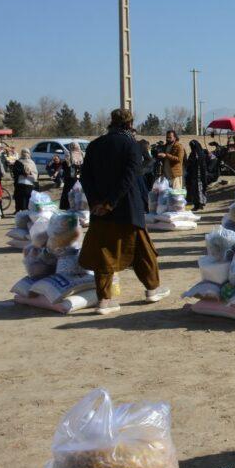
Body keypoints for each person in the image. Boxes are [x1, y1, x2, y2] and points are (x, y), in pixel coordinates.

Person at [79, 108, 169, 315]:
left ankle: (105, 300)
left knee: (105, 252)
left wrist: (96, 202)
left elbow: (85, 177)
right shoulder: (130, 145)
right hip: (127, 208)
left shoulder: (95, 145)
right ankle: (152, 289)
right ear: (129, 124)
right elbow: (129, 178)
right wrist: (111, 202)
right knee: (143, 250)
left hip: (100, 210)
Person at [184, 139, 209, 211]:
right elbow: (189, 164)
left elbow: (204, 165)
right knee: (195, 190)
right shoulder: (192, 154)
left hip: (200, 176)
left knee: (200, 189)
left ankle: (201, 204)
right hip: (194, 176)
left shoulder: (201, 154)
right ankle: (197, 204)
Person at [58, 142, 83, 210]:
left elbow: (65, 165)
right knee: (78, 193)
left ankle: (67, 208)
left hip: (70, 178)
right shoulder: (82, 154)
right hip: (79, 177)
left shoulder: (69, 155)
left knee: (68, 193)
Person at [12, 148, 38, 212]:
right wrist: (23, 173)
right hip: (20, 184)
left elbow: (35, 173)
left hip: (29, 184)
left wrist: (30, 173)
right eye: (24, 152)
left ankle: (27, 210)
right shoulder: (18, 162)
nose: (25, 154)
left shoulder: (31, 162)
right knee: (19, 198)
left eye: (26, 152)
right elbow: (15, 171)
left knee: (28, 198)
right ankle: (18, 210)